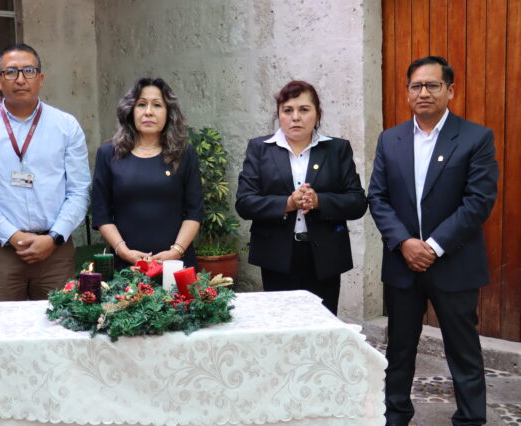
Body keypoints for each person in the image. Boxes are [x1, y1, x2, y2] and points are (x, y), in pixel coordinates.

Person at [368, 56, 499, 426]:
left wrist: (434, 246)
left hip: (454, 262)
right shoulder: (390, 139)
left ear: (450, 90)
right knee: (399, 349)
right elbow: (377, 197)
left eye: (432, 85)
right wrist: (404, 242)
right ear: (407, 92)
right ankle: (395, 416)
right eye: (416, 86)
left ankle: (470, 420)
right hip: (403, 263)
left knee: (463, 350)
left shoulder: (476, 137)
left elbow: (478, 201)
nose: (423, 92)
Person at [0, 43, 91, 301]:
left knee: (58, 323)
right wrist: (13, 236)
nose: (20, 79)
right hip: (3, 251)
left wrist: (53, 238)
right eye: (11, 72)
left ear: (40, 78)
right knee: (1, 324)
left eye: (28, 71)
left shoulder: (66, 126)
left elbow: (79, 191)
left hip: (55, 251)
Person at [235, 80, 367, 315]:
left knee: (322, 323)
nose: (295, 117)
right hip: (277, 255)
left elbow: (357, 202)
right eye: (288, 110)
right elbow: (244, 203)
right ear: (279, 114)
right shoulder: (260, 148)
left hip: (324, 255)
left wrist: (319, 201)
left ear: (317, 114)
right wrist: (287, 204)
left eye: (304, 109)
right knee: (282, 323)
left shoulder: (336, 149)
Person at [92, 77, 203, 270]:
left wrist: (176, 251)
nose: (148, 112)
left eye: (157, 105)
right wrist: (123, 251)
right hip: (125, 266)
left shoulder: (184, 154)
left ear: (169, 113)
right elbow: (101, 213)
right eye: (141, 104)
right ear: (130, 111)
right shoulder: (108, 154)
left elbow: (195, 211)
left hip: (175, 265)